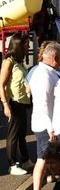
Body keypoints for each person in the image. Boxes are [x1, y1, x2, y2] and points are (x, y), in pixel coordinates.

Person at [30, 41, 60, 190]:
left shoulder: (45, 72)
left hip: (44, 123)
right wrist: (51, 129)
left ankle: (47, 179)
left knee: (45, 158)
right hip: (45, 125)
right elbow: (43, 105)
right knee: (42, 159)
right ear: (55, 57)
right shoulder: (44, 76)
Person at [1, 32, 33, 175]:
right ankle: (12, 164)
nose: (28, 46)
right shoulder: (9, 61)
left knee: (21, 133)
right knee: (13, 134)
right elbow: (1, 85)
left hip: (22, 101)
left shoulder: (19, 61)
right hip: (13, 102)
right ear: (18, 45)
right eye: (25, 44)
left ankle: (25, 160)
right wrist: (5, 104)